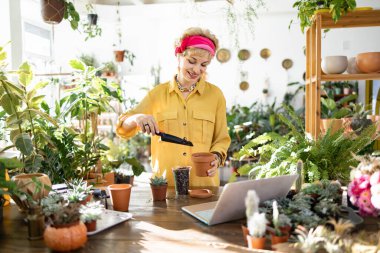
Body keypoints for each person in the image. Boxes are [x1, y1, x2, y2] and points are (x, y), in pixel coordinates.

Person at [116, 27, 231, 187]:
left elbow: (221, 139)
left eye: (204, 64)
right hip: (165, 187)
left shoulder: (215, 96)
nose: (197, 70)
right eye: (191, 61)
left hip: (204, 186)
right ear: (179, 56)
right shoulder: (157, 94)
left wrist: (216, 158)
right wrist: (137, 118)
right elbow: (123, 128)